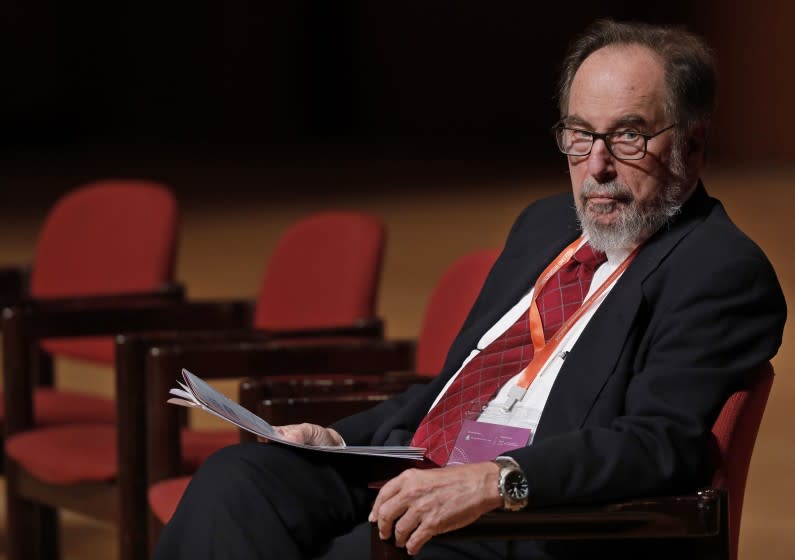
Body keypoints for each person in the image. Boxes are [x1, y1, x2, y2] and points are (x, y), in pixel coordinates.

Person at [154, 19, 786, 560]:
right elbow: (455, 389)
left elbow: (659, 445)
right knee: (237, 481)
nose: (596, 165)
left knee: (356, 549)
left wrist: (496, 481)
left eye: (628, 136)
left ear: (693, 145)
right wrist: (343, 438)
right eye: (579, 134)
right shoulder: (545, 225)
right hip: (425, 467)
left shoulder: (719, 270)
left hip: (538, 514)